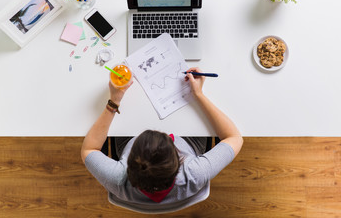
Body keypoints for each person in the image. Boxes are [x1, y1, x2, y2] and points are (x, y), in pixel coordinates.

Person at [81, 67, 243, 214]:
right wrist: (199, 94)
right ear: (179, 160)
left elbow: (89, 149)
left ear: (129, 162)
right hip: (190, 142)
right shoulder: (194, 173)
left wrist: (113, 101)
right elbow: (234, 137)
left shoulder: (117, 178)